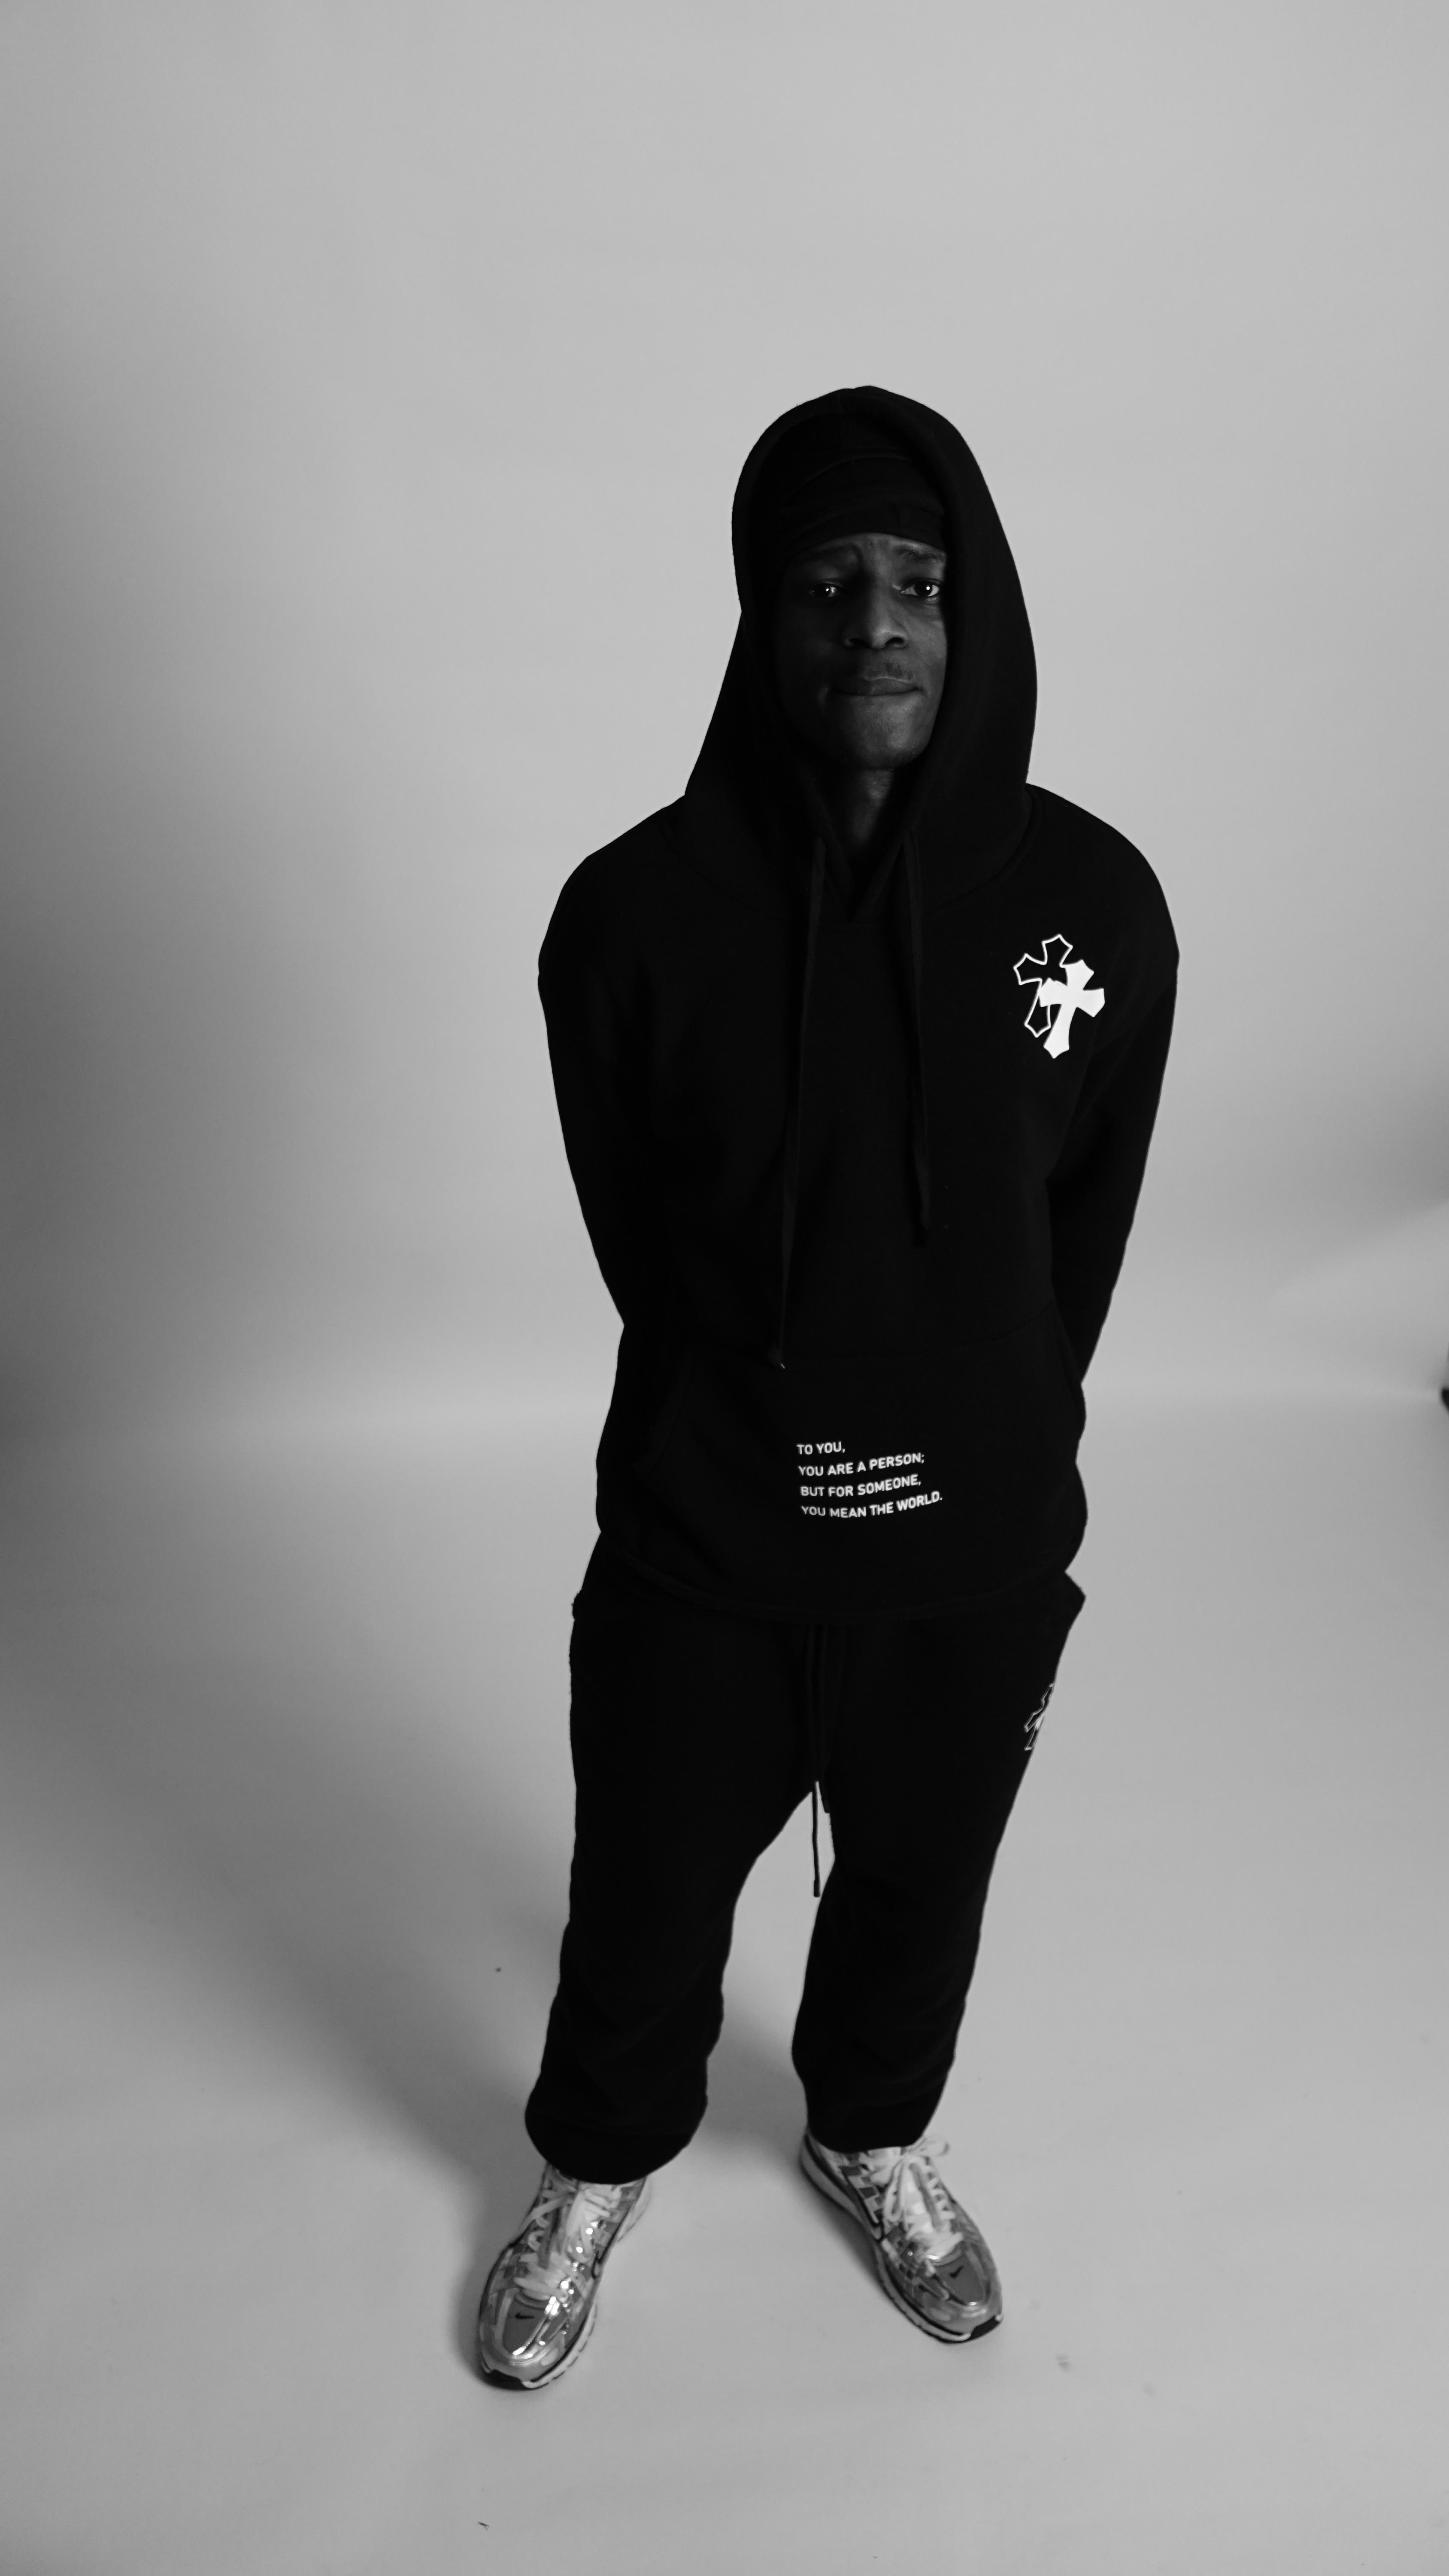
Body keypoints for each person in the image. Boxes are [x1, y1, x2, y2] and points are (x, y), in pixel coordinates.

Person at [476, 388, 1177, 2388]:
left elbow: (1079, 1239)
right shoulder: (633, 920)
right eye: (823, 584)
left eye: (918, 583)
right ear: (759, 620)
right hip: (709, 1533)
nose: (874, 624)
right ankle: (602, 2158)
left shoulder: (1091, 911)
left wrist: (976, 1417)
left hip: (973, 1548)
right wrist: (768, 1407)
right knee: (641, 1893)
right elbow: (643, 1239)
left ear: (978, 614)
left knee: (922, 1888)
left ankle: (868, 2131)